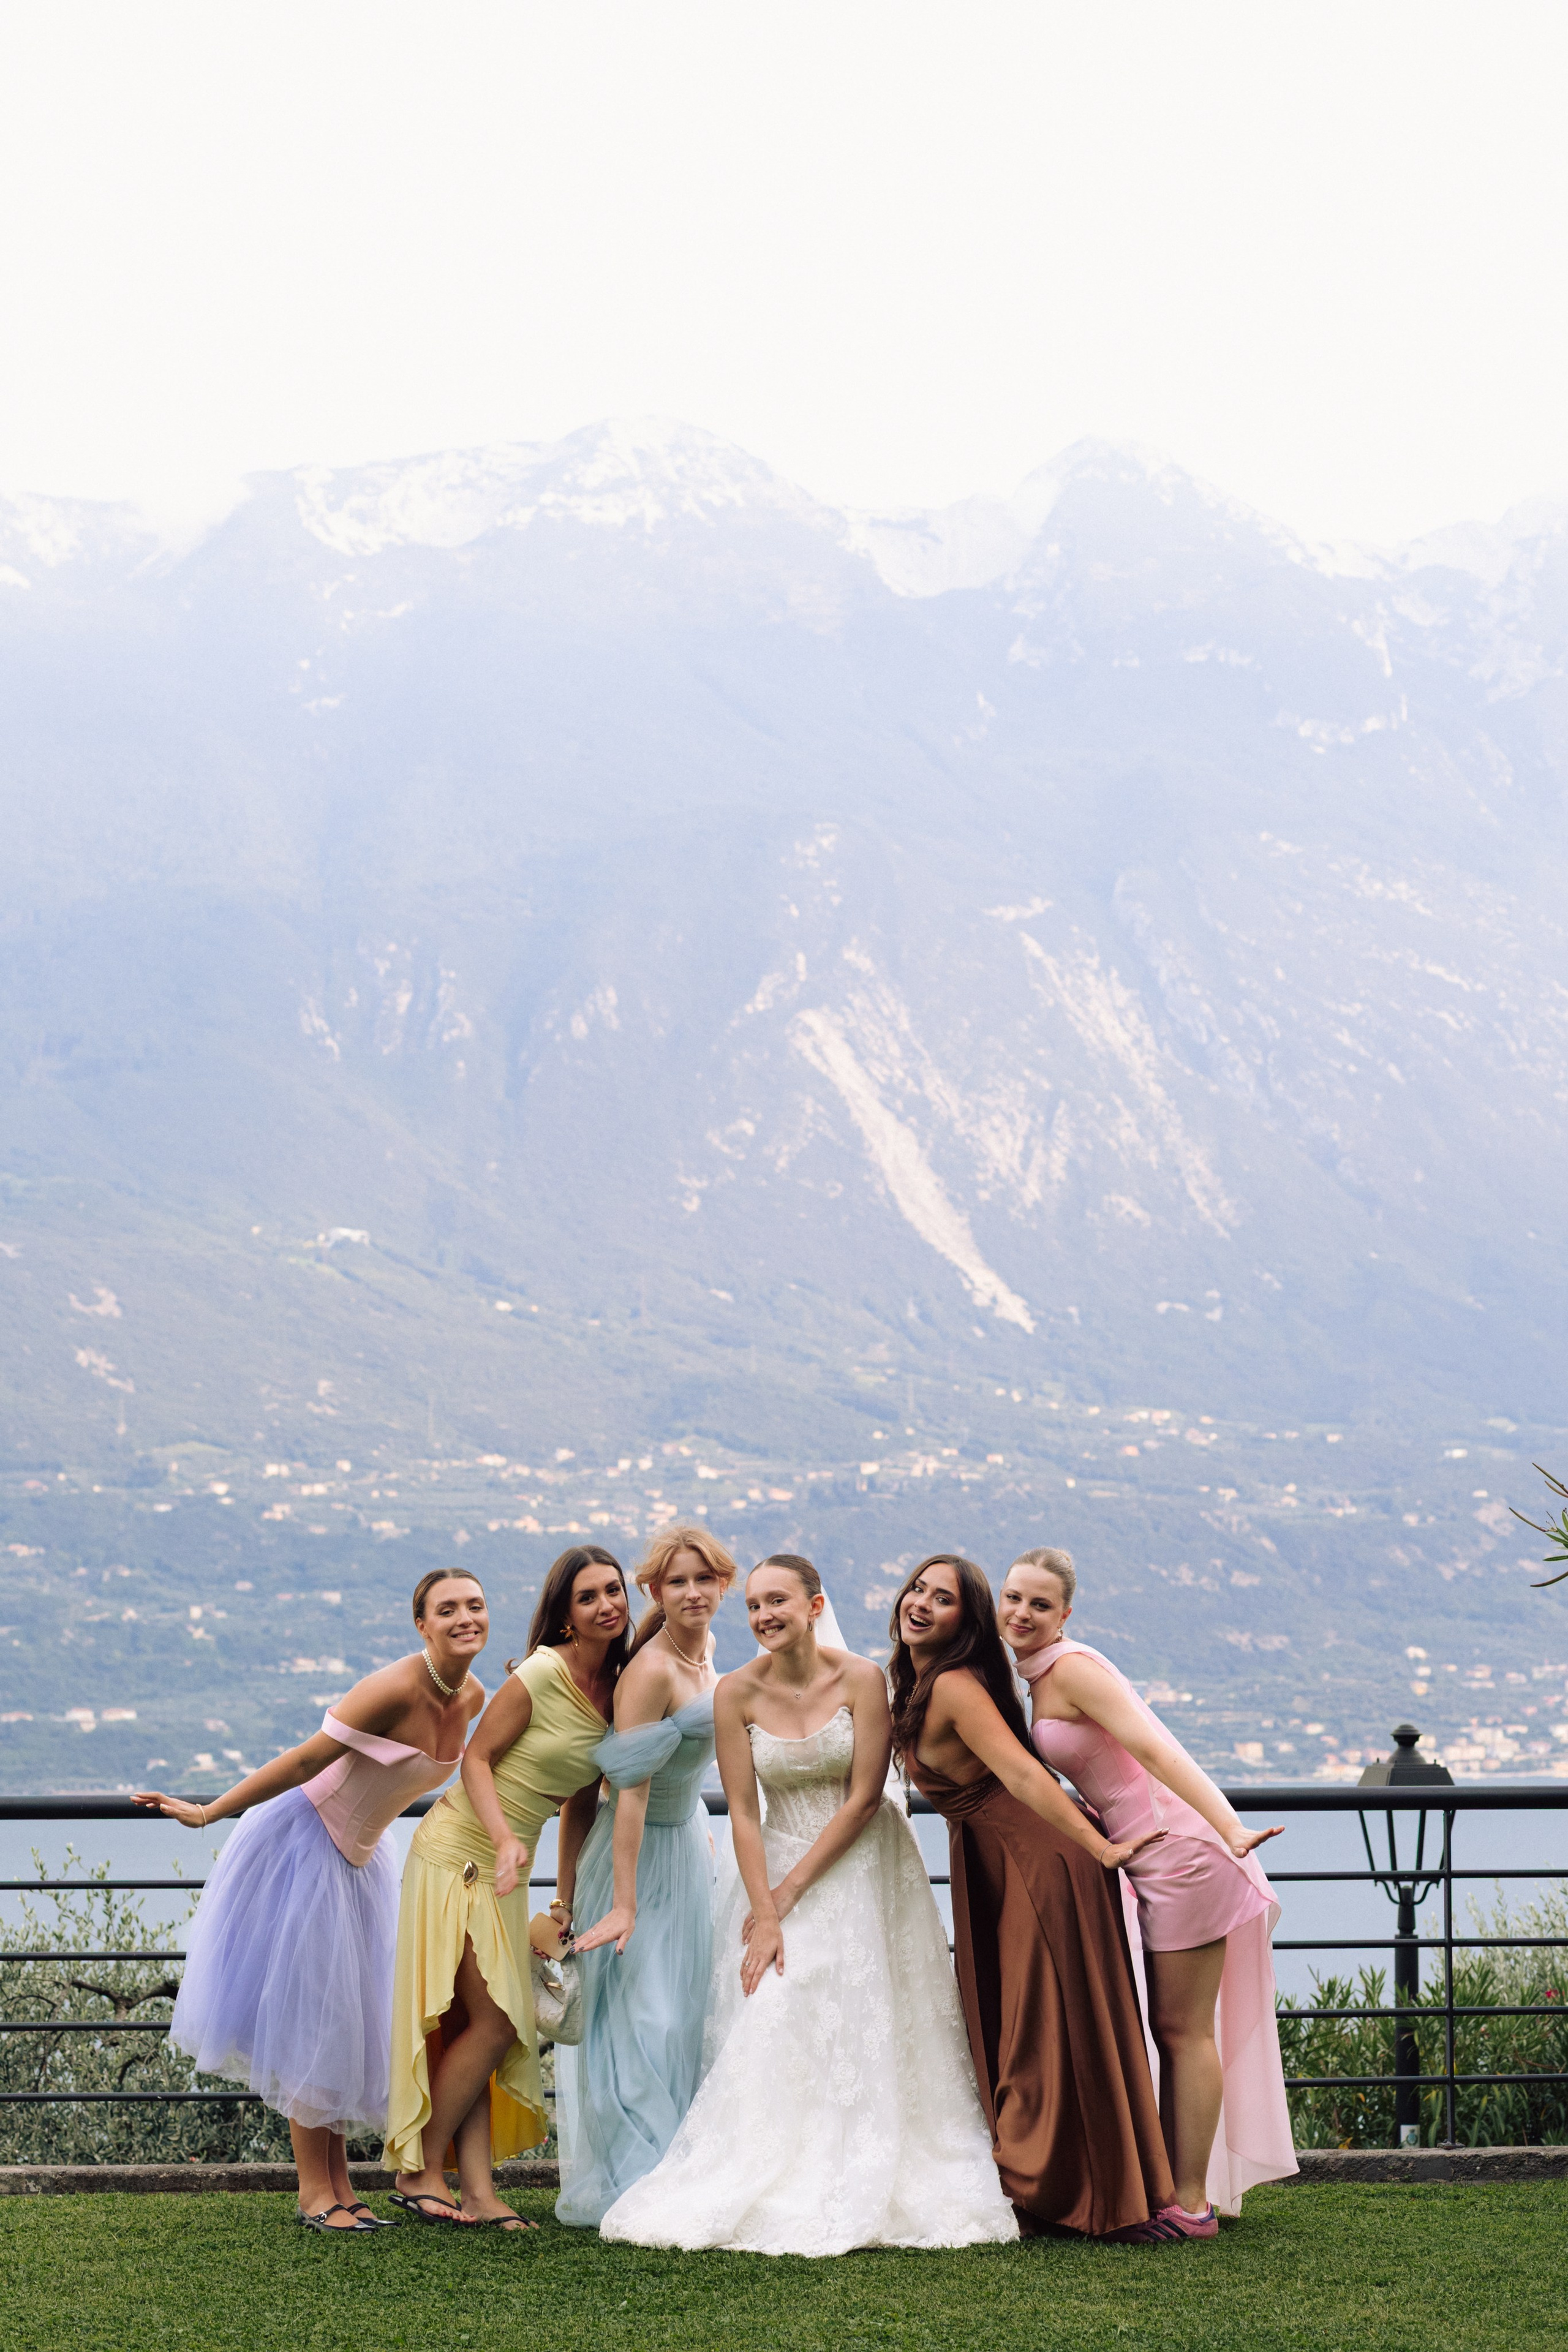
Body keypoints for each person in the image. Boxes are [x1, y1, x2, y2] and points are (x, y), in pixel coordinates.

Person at [600, 1552, 1017, 2256]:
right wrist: (764, 1909)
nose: (764, 1616)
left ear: (815, 1606)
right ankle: (778, 2161)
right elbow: (741, 1812)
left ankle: (875, 2155)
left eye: (778, 1602)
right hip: (772, 1859)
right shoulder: (735, 1692)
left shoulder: (862, 1681)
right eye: (755, 1605)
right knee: (778, 2002)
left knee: (865, 2005)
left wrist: (788, 1895)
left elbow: (862, 1800)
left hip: (862, 1862)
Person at [135, 1569, 486, 2231]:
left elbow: (480, 1783)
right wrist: (208, 1812)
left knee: (346, 2022)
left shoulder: (473, 1698)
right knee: (313, 2023)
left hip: (361, 1862)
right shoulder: (391, 1688)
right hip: (304, 1846)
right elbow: (304, 1763)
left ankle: (343, 2189)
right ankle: (312, 2194)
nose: (465, 1618)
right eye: (447, 1609)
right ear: (422, 1624)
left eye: (475, 1605)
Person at [1001, 1544, 1297, 2226]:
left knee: (1182, 2029)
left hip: (1183, 1852)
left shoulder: (1072, 1670)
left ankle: (1190, 2204)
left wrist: (1228, 1827)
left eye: (1039, 1604)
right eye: (1014, 1598)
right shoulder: (1034, 1675)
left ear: (1064, 1614)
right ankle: (1166, 2186)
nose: (1023, 1612)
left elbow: (1158, 1749)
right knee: (1168, 2027)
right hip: (1147, 1855)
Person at [890, 1551, 1178, 2242]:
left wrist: (1101, 1847)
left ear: (968, 1620)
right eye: (917, 1588)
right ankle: (1063, 2189)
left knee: (1050, 2028)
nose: (922, 1603)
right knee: (1034, 2025)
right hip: (995, 1859)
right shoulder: (915, 1682)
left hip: (1036, 1857)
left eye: (944, 1598)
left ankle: (1096, 2200)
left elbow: (1021, 1774)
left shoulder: (954, 1684)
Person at [383, 1545, 631, 2230]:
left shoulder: (620, 1688)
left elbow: (579, 1803)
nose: (606, 1604)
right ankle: (418, 2170)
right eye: (588, 1597)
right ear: (565, 1616)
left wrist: (566, 1899)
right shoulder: (544, 1673)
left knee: (484, 2025)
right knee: (497, 2020)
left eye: (613, 1590)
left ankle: (479, 2191)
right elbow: (477, 1760)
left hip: (509, 1870)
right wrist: (502, 1840)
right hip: (461, 1852)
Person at [556, 1523, 737, 2225]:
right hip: (634, 1857)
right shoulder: (650, 1672)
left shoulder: (709, 1650)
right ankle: (638, 2182)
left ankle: (677, 2169)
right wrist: (623, 1903)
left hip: (689, 1844)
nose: (692, 1593)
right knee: (644, 2017)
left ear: (723, 1584)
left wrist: (706, 1839)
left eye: (704, 1579)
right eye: (675, 1582)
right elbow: (626, 1794)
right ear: (654, 1592)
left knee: (685, 2015)